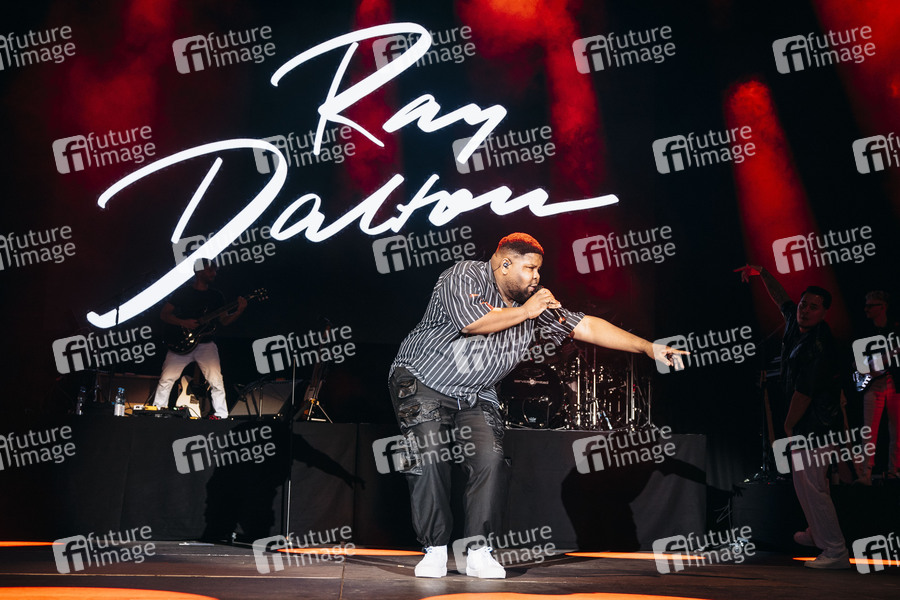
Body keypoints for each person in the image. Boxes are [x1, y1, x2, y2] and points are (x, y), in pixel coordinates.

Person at [388, 233, 686, 578]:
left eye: (539, 270)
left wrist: (648, 347)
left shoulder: (532, 302)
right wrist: (528, 311)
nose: (536, 276)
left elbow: (585, 326)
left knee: (491, 461)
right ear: (505, 264)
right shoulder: (464, 274)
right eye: (529, 268)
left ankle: (479, 551)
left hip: (477, 391)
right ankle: (435, 548)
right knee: (429, 458)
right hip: (425, 380)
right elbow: (472, 323)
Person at [737, 264, 849, 569]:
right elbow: (781, 299)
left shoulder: (819, 345)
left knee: (813, 488)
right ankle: (818, 532)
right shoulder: (794, 322)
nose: (805, 310)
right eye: (804, 304)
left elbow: (805, 392)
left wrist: (788, 425)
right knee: (806, 486)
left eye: (814, 307)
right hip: (807, 426)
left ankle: (835, 550)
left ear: (824, 313)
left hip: (817, 426)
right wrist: (762, 272)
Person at [152, 261, 247, 419]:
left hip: (206, 344)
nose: (214, 274)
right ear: (199, 272)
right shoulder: (183, 293)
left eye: (215, 271)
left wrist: (239, 311)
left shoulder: (216, 296)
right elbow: (164, 314)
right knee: (166, 379)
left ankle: (222, 416)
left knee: (216, 381)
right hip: (180, 344)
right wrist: (183, 322)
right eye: (210, 270)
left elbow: (224, 321)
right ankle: (157, 412)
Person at [858, 290, 900, 483]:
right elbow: (857, 363)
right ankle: (865, 473)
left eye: (870, 305)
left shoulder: (895, 330)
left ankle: (894, 471)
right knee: (869, 430)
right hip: (873, 384)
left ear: (882, 307)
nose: (866, 309)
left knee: (897, 429)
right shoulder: (865, 332)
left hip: (894, 382)